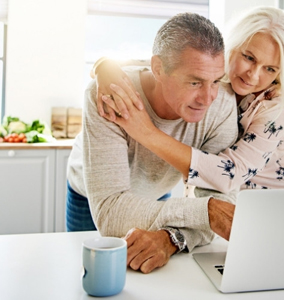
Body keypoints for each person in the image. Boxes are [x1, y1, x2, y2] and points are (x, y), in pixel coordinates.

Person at [66, 13, 238, 274]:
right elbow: (110, 213)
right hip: (91, 197)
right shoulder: (110, 94)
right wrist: (207, 212)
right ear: (158, 68)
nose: (208, 98)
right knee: (89, 276)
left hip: (157, 194)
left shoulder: (223, 106)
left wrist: (172, 237)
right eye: (194, 82)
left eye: (215, 80)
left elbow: (221, 211)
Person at [96, 6, 284, 193]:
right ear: (232, 46)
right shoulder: (216, 75)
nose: (254, 75)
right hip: (231, 206)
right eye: (249, 58)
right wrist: (105, 66)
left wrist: (146, 132)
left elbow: (231, 173)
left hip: (280, 201)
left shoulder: (277, 104)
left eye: (269, 68)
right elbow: (169, 64)